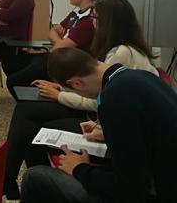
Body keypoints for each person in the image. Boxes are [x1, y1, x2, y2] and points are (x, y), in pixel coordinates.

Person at [4, 0, 159, 200]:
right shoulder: (119, 49)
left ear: (107, 24)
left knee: (33, 126)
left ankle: (19, 181)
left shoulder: (121, 54)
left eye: (95, 19)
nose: (92, 23)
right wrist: (63, 89)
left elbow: (97, 99)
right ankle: (12, 179)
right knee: (27, 112)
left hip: (93, 115)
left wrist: (60, 95)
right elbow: (93, 84)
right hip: (99, 119)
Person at [21, 47, 177, 203]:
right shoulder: (140, 76)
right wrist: (108, 133)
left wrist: (79, 168)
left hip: (158, 192)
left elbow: (131, 189)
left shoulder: (114, 99)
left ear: (76, 83)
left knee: (35, 177)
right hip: (162, 173)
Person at [5, 0, 99, 96]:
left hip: (65, 65)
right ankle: (28, 96)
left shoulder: (88, 20)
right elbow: (52, 31)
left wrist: (59, 41)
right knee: (10, 60)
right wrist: (60, 40)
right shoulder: (77, 12)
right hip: (55, 54)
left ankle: (35, 103)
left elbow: (60, 46)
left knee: (13, 81)